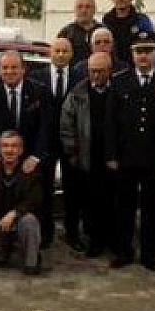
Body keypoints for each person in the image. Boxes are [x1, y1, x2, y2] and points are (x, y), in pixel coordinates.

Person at [104, 31, 155, 270]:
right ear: (132, 54)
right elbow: (110, 122)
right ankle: (124, 251)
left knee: (152, 209)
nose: (143, 56)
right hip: (126, 157)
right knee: (123, 207)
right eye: (139, 51)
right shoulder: (119, 82)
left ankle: (148, 253)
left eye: (148, 51)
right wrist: (111, 155)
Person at [60, 52, 117, 257]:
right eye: (93, 71)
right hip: (86, 155)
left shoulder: (119, 90)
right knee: (89, 200)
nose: (96, 75)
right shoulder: (78, 93)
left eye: (101, 71)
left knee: (111, 199)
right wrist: (72, 151)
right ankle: (93, 240)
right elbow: (66, 125)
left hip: (112, 156)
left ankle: (111, 238)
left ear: (110, 71)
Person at [30, 37, 84, 247]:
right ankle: (45, 233)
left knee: (73, 189)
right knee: (44, 189)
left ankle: (72, 233)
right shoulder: (36, 77)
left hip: (72, 142)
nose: (61, 55)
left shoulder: (80, 78)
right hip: (45, 142)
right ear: (50, 53)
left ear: (71, 54)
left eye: (65, 51)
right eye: (57, 51)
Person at [0, 51, 53, 185]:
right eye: (5, 68)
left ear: (23, 69)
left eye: (14, 67)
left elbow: (46, 127)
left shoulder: (40, 91)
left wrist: (35, 157)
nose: (9, 71)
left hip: (30, 161)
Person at [0, 131, 44, 275]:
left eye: (14, 146)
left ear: (21, 150)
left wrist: (14, 214)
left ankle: (31, 262)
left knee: (30, 221)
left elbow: (34, 200)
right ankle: (3, 249)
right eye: (5, 146)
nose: (9, 150)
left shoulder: (31, 170)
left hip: (19, 221)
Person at [100, 0, 154, 67]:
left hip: (136, 67)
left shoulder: (141, 20)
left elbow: (151, 43)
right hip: (113, 67)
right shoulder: (106, 21)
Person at [58, 0, 102, 66]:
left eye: (88, 7)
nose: (84, 10)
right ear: (75, 10)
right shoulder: (66, 32)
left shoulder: (103, 31)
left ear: (94, 10)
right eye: (80, 7)